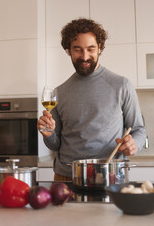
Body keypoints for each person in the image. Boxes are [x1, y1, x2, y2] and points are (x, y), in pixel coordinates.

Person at [37, 18, 147, 181]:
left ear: (100, 48)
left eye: (91, 49)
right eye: (78, 50)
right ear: (68, 50)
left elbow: (139, 130)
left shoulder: (122, 85)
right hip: (66, 177)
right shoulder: (60, 92)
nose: (85, 56)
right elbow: (56, 144)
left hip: (109, 176)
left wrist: (134, 144)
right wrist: (48, 135)